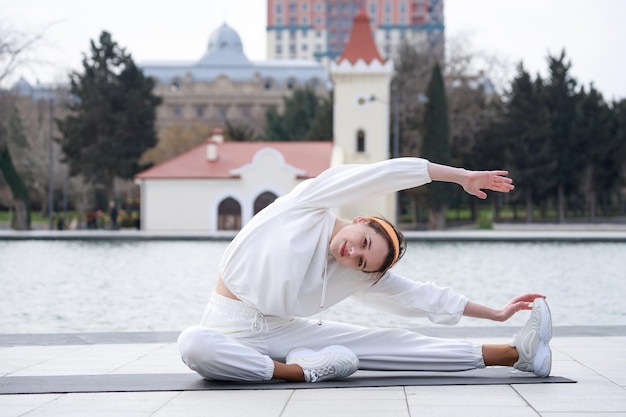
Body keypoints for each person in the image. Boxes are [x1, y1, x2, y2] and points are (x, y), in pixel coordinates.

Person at [178, 158, 552, 383]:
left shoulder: (354, 271)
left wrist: (497, 313)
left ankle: (517, 354)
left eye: (361, 261)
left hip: (279, 331)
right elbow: (383, 174)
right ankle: (300, 371)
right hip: (227, 324)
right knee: (193, 343)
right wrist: (458, 177)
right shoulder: (308, 204)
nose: (353, 252)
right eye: (364, 243)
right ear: (361, 220)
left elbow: (422, 296)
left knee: (387, 343)